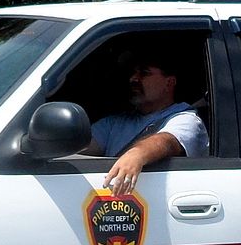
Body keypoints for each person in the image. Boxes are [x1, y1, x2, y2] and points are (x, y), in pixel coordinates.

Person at [81, 45, 208, 195]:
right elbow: (80, 146)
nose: (133, 78)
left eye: (144, 73)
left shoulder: (186, 120)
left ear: (169, 83)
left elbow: (166, 141)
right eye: (133, 73)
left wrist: (137, 155)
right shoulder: (116, 122)